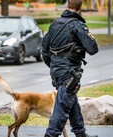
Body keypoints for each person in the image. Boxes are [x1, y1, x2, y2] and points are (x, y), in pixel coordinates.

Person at [42, 0, 99, 137]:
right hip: (70, 73)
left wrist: (54, 66)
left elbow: (44, 50)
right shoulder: (77, 25)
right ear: (81, 7)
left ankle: (80, 134)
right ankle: (50, 135)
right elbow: (93, 48)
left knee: (71, 101)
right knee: (61, 108)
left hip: (57, 72)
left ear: (67, 5)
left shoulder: (54, 24)